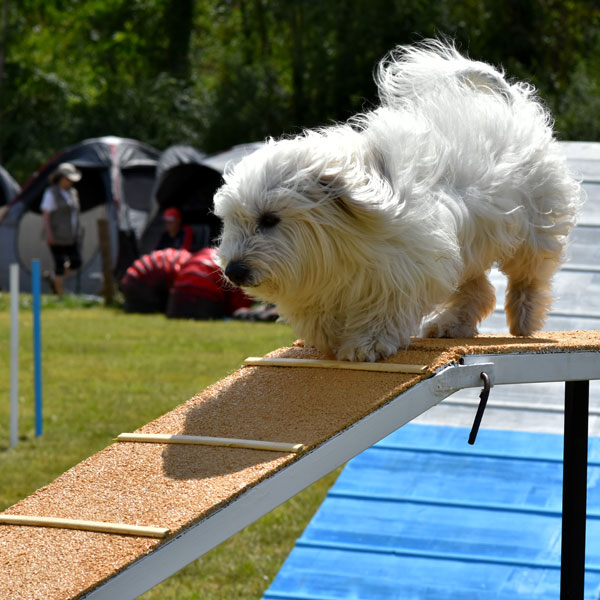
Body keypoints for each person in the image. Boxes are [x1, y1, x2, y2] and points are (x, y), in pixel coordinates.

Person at [41, 162, 83, 296]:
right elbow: (46, 215)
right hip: (56, 235)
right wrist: (49, 235)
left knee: (76, 262)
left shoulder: (73, 192)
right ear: (61, 178)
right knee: (59, 264)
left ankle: (54, 279)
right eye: (68, 179)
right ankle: (59, 296)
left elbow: (75, 215)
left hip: (71, 235)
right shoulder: (51, 193)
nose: (70, 182)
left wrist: (76, 231)